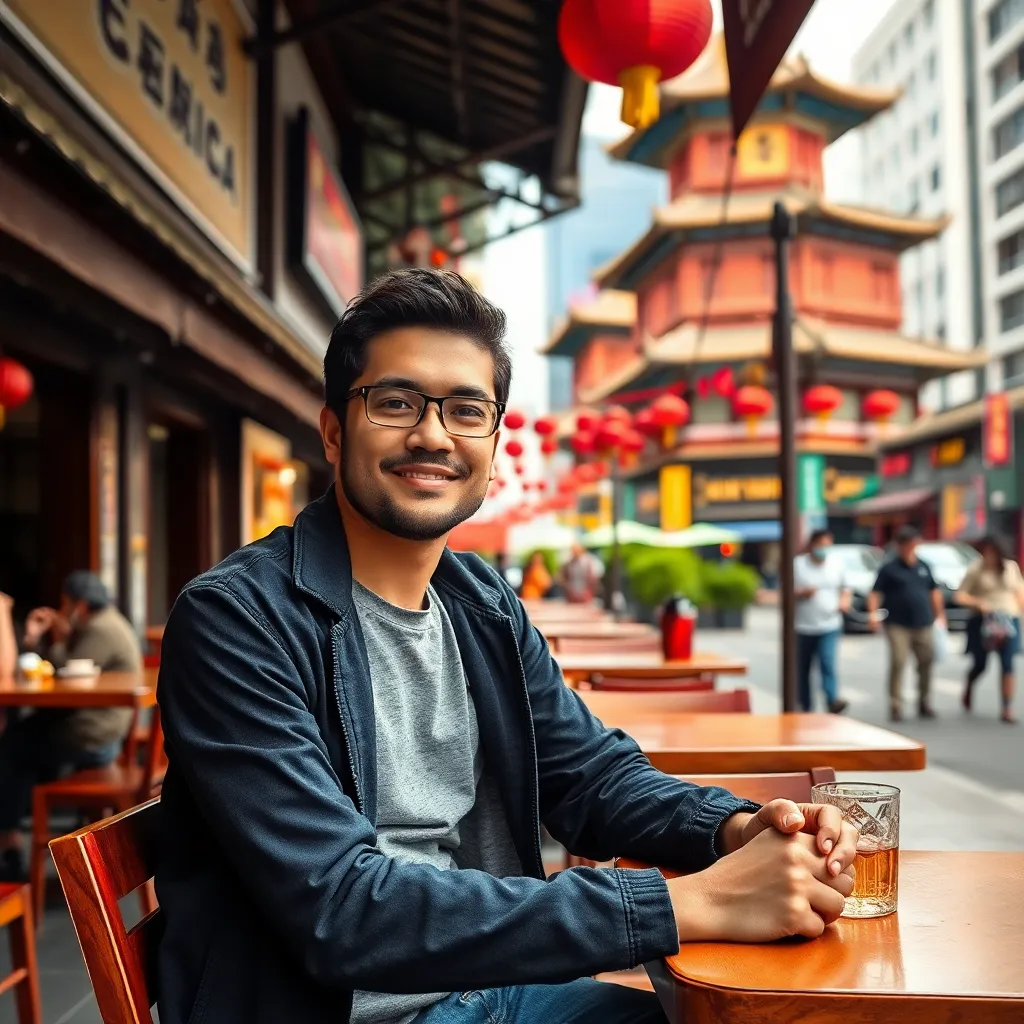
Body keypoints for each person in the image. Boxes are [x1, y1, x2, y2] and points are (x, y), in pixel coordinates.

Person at [156, 269, 858, 1024]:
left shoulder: (479, 602)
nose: (432, 434)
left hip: (486, 987)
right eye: (395, 403)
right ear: (334, 430)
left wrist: (733, 826)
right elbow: (343, 908)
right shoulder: (238, 619)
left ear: (492, 442)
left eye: (465, 410)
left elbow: (589, 774)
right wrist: (685, 903)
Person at [0, 571, 141, 881]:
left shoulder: (100, 630)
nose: (61, 610)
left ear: (79, 605)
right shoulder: (106, 622)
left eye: (65, 604)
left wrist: (56, 639)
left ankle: (11, 840)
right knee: (25, 737)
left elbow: (65, 675)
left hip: (96, 735)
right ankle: (22, 824)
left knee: (14, 744)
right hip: (102, 727)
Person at [867, 525, 946, 721]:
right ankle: (895, 703)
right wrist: (872, 615)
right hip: (897, 623)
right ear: (899, 546)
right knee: (898, 662)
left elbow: (933, 591)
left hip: (923, 622)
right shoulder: (889, 568)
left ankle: (924, 701)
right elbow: (875, 592)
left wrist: (940, 614)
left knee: (926, 662)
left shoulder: (923, 566)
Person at [955, 534, 1024, 724]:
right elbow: (960, 595)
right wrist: (978, 603)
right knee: (980, 663)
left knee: (1008, 663)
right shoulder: (976, 569)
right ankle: (969, 683)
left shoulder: (1010, 568)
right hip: (983, 621)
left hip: (1008, 620)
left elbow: (1020, 593)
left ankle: (1007, 707)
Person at [793, 529, 850, 714]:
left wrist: (844, 602)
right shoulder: (798, 565)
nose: (823, 549)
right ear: (812, 545)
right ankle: (806, 705)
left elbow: (845, 588)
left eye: (827, 545)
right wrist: (802, 593)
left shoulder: (836, 564)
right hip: (803, 625)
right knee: (803, 668)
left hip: (830, 623)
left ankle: (832, 699)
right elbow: (785, 592)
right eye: (820, 545)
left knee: (827, 662)